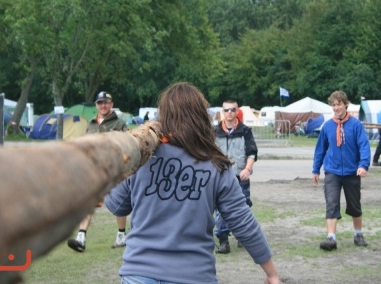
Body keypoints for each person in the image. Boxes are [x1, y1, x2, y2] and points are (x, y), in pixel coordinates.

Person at [104, 82, 280, 284]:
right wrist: (271, 273)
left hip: (140, 274)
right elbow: (243, 222)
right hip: (194, 275)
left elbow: (116, 205)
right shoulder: (216, 164)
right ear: (201, 117)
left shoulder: (143, 157)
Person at [67, 91, 129, 253]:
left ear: (112, 104)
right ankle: (81, 237)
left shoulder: (119, 123)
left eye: (106, 102)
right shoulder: (91, 124)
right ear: (96, 105)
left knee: (118, 201)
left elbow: (126, 144)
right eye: (100, 103)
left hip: (114, 169)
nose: (103, 105)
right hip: (94, 170)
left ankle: (121, 235)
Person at [312, 90, 371, 251]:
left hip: (352, 172)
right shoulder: (328, 126)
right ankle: (331, 238)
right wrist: (315, 169)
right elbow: (320, 149)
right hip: (332, 171)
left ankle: (358, 234)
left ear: (346, 104)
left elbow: (364, 146)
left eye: (339, 104)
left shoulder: (356, 125)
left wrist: (363, 165)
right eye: (333, 105)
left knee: (354, 205)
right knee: (331, 203)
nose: (336, 108)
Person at [213, 99, 258, 254]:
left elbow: (252, 153)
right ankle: (223, 241)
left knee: (243, 207)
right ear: (222, 112)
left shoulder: (245, 131)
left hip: (240, 176)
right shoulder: (215, 131)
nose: (230, 112)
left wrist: (247, 168)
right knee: (221, 209)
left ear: (237, 111)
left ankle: (242, 237)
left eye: (233, 109)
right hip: (220, 176)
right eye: (227, 110)